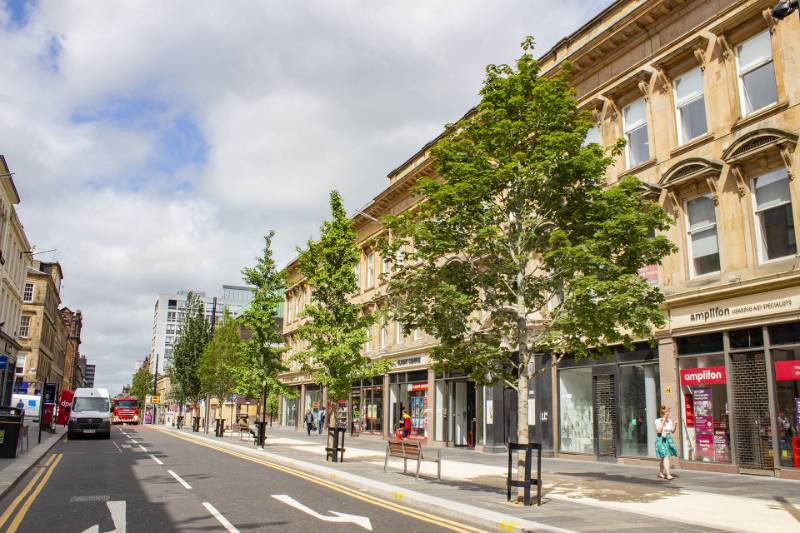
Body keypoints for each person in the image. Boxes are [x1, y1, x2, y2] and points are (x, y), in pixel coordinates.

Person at [655, 405, 678, 480]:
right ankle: (668, 474)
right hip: (661, 439)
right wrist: (663, 422)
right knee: (666, 456)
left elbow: (672, 431)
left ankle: (661, 473)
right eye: (666, 414)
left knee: (663, 457)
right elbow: (659, 431)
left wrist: (675, 425)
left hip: (668, 439)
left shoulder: (670, 421)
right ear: (662, 414)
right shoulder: (658, 421)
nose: (668, 415)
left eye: (668, 413)